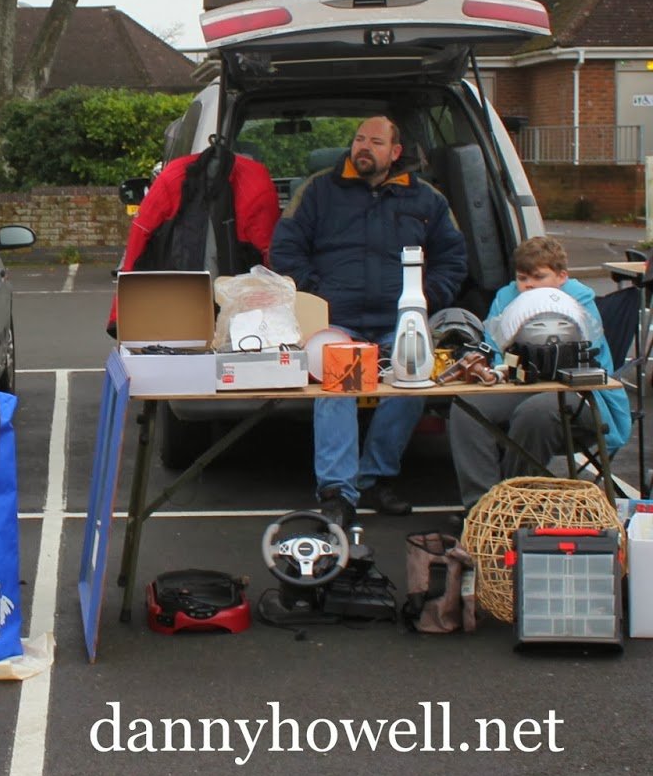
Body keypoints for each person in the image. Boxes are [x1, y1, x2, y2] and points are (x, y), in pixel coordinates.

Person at [269, 116, 468, 522]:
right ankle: (337, 495)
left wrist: (426, 299)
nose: (363, 146)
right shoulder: (319, 190)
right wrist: (316, 293)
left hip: (399, 322)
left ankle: (374, 478)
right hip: (337, 320)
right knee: (338, 384)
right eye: (359, 139)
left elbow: (453, 259)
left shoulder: (427, 198)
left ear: (395, 152)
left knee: (413, 380)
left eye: (375, 142)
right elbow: (285, 249)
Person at [449, 236, 631, 507]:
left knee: (536, 412)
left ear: (562, 277)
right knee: (466, 408)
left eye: (539, 277)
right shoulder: (506, 297)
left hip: (579, 390)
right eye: (522, 278)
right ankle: (482, 507)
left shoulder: (579, 298)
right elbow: (495, 349)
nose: (529, 285)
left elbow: (589, 350)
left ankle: (514, 502)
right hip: (519, 384)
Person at [105, 143, 281, 337]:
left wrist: (119, 316)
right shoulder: (257, 182)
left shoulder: (171, 176)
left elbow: (138, 239)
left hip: (177, 306)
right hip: (244, 314)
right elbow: (272, 257)